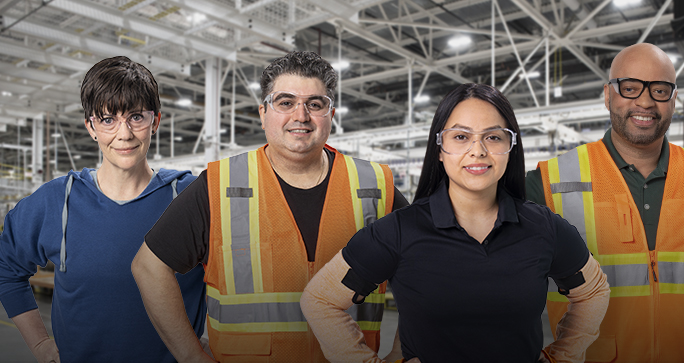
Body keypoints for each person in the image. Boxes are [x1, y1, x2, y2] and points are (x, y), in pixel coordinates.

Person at [300, 83, 610, 363]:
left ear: (510, 147)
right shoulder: (398, 231)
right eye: (461, 137)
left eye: (493, 136)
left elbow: (594, 292)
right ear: (439, 149)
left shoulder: (543, 228)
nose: (478, 150)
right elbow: (320, 300)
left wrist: (562, 356)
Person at [131, 51, 408, 363]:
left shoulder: (375, 186)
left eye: (315, 104)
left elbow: (426, 269)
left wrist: (403, 351)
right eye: (285, 102)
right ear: (263, 113)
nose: (301, 116)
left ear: (331, 115)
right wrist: (191, 356)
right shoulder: (219, 185)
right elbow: (149, 266)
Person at [525, 43, 684, 363]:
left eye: (659, 90)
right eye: (630, 88)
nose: (645, 101)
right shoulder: (549, 184)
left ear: (673, 100)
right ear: (608, 95)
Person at [0, 56, 206, 362]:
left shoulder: (189, 196)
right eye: (108, 120)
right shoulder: (57, 201)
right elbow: (7, 268)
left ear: (156, 121)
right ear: (91, 127)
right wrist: (40, 343)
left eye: (136, 117)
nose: (124, 134)